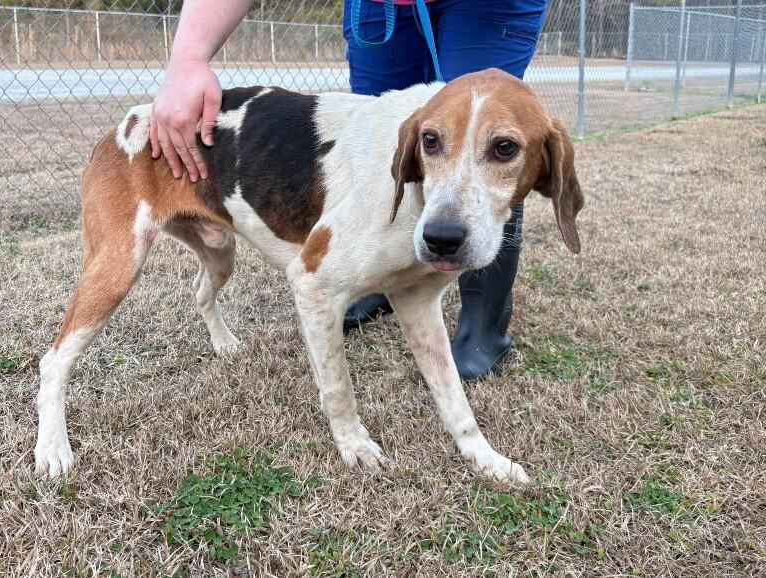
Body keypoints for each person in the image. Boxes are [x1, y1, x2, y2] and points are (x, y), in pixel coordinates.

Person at [150, 0, 550, 380]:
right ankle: (376, 283)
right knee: (386, 142)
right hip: (380, 7)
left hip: (486, 7)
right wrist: (188, 57)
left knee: (485, 130)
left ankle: (483, 325)